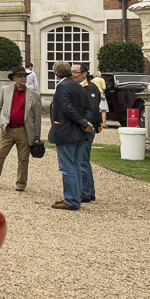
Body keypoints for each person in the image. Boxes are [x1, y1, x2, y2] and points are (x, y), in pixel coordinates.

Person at [0, 69, 41, 191]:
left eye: (24, 76)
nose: (23, 78)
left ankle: (21, 183)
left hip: (24, 131)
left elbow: (37, 116)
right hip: (7, 130)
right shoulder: (6, 90)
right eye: (20, 76)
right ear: (14, 78)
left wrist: (37, 134)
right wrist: (1, 122)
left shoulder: (34, 95)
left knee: (23, 158)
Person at [49, 60, 95, 210]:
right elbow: (88, 108)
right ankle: (75, 196)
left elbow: (67, 108)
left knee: (67, 167)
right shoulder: (79, 86)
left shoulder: (62, 86)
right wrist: (86, 123)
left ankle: (72, 200)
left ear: (56, 73)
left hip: (66, 132)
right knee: (75, 165)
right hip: (79, 132)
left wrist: (83, 123)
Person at [77, 62, 102, 198]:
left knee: (82, 160)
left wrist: (84, 124)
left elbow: (92, 110)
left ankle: (85, 192)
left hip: (87, 129)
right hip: (82, 127)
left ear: (84, 74)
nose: (72, 75)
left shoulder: (91, 88)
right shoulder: (77, 87)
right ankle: (89, 192)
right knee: (83, 160)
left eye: (75, 72)